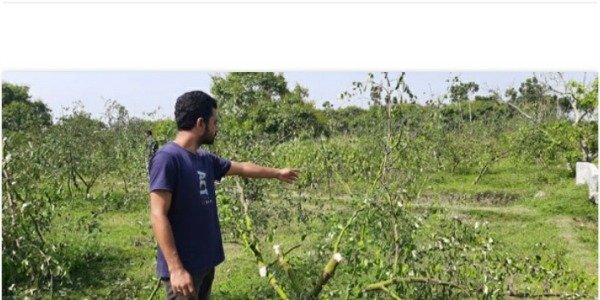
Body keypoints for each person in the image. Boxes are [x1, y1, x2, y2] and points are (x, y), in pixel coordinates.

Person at [148, 90, 299, 300]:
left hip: (204, 264)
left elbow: (243, 168)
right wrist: (176, 269)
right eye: (215, 122)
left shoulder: (204, 159)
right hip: (184, 270)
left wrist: (277, 173)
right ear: (201, 123)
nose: (216, 128)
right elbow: (158, 214)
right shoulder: (168, 159)